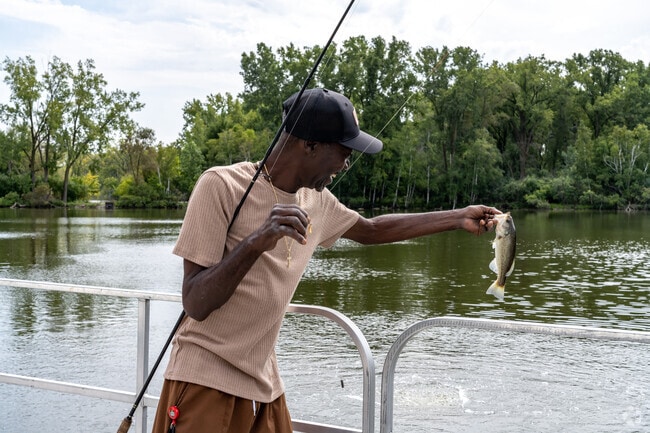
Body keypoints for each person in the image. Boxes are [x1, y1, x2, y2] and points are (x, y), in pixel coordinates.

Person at [151, 88, 500, 433]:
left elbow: (372, 229)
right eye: (344, 152)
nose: (346, 164)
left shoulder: (317, 200)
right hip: (205, 380)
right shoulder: (220, 186)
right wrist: (257, 241)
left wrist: (457, 218)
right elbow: (195, 301)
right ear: (310, 145)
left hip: (264, 385)